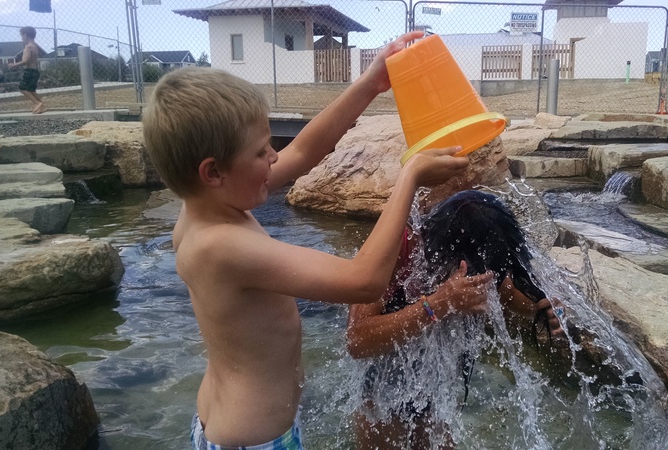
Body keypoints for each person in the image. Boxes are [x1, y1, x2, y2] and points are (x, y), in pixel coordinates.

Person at [141, 31, 471, 449]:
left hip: (233, 428)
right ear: (213, 172)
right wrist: (410, 177)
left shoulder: (205, 205)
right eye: (262, 152)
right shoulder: (220, 246)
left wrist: (371, 82)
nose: (275, 157)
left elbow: (302, 153)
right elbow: (364, 281)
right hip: (256, 442)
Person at [347, 190, 563, 450]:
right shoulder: (397, 246)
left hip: (433, 381)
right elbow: (357, 339)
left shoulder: (477, 250)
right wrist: (438, 303)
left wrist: (538, 308)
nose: (480, 278)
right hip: (382, 385)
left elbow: (503, 290)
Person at [8, 26, 45, 114]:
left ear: (25, 35)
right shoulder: (35, 46)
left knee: (22, 88)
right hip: (35, 71)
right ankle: (42, 106)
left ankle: (37, 103)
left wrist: (14, 65)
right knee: (32, 90)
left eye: (21, 36)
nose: (21, 38)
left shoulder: (28, 47)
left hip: (29, 71)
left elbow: (26, 61)